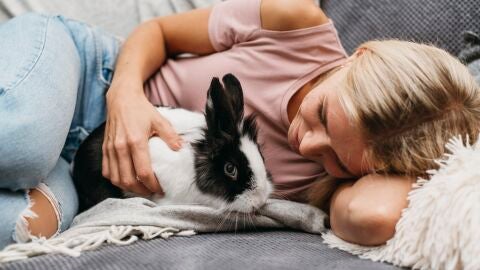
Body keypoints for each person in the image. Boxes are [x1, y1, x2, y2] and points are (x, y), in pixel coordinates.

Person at [1, 0, 478, 249]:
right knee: (20, 143)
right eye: (325, 116)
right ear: (361, 57)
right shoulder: (296, 23)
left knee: (13, 228)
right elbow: (159, 33)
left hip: (88, 177)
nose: (307, 144)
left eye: (337, 157)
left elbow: (373, 217)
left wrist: (412, 159)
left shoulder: (335, 185)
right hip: (88, 72)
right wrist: (124, 95)